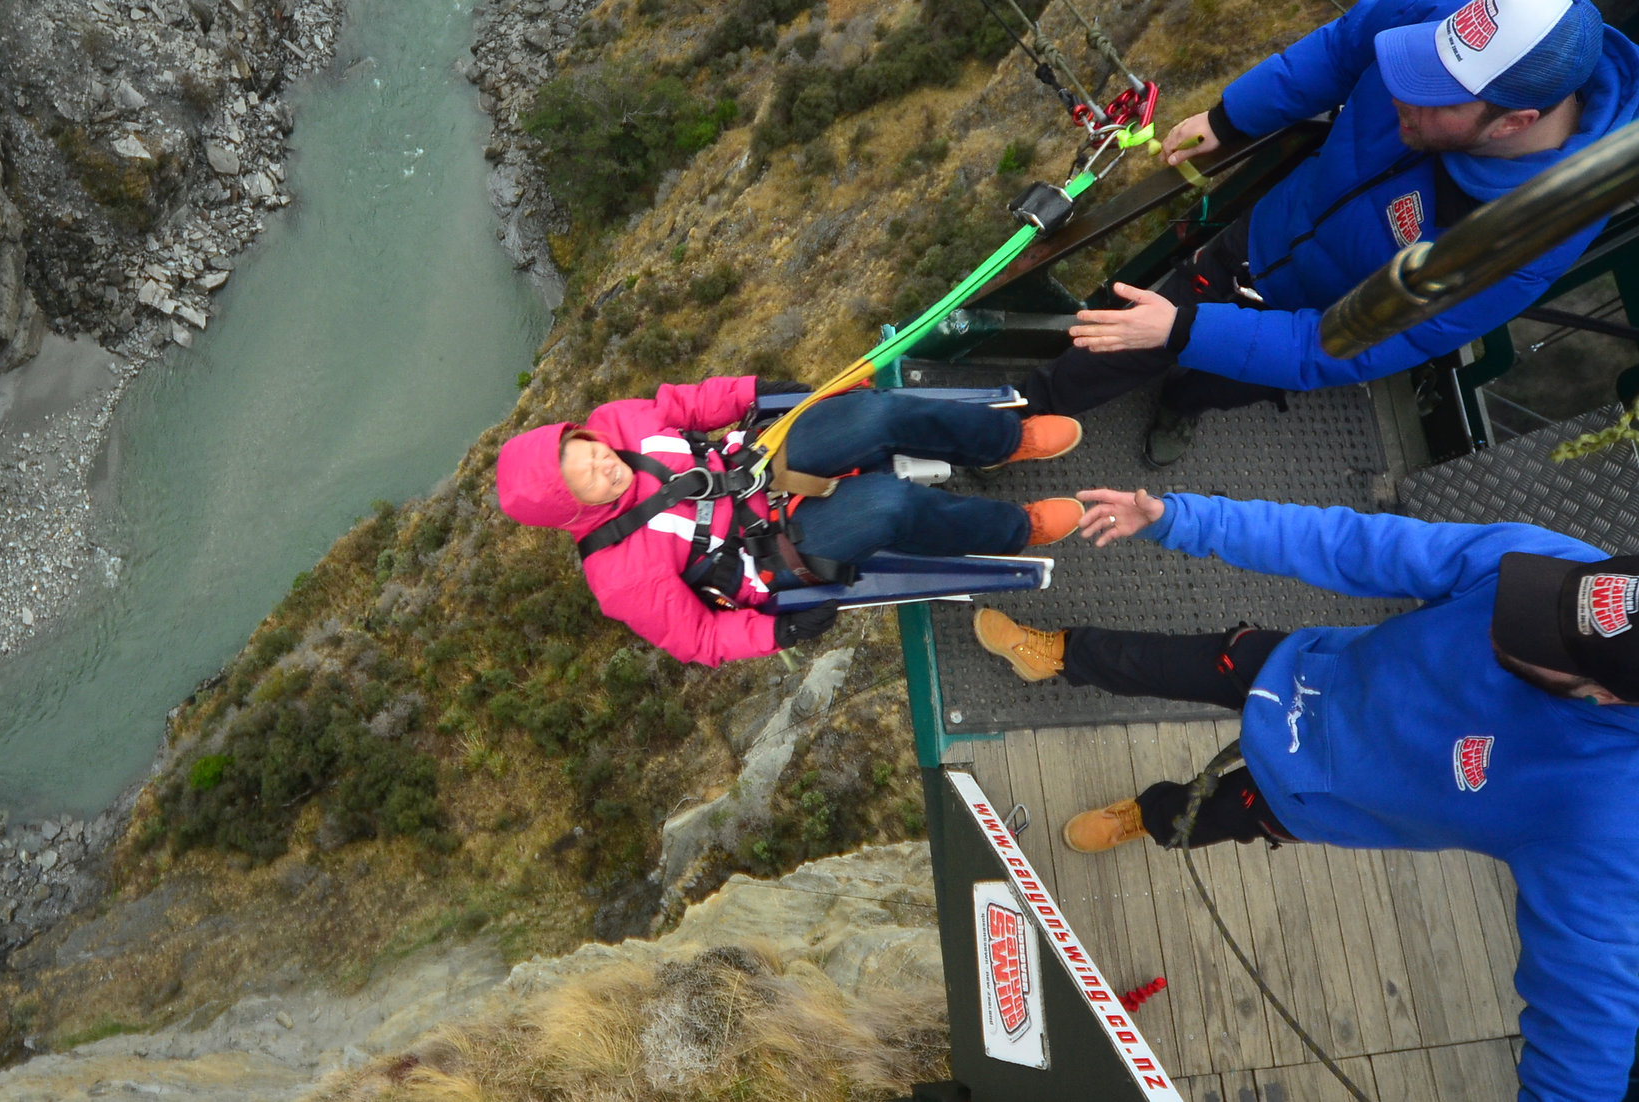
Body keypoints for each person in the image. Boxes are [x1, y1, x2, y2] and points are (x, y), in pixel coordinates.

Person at [971, 487, 1639, 1098]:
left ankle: (1145, 818)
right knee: (1158, 660)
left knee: (1198, 819)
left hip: (1313, 796)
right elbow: (1357, 543)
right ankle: (1054, 653)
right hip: (1299, 673)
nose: (1516, 612)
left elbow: (1587, 1032)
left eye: (1542, 638)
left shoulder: (1606, 819)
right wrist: (1181, 519)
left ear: (1607, 693)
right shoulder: (1557, 575)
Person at [1020, 0, 1639, 467]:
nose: (1400, 91)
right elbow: (1346, 47)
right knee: (1135, 335)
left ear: (1514, 124)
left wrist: (1186, 330)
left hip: (1327, 313)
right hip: (1266, 234)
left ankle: (1184, 403)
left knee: (1226, 373)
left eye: (1433, 97)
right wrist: (1232, 115)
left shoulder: (1520, 241)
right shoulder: (1462, 21)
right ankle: (1027, 411)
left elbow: (1345, 347)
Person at [494, 376, 1085, 667]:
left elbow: (689, 405)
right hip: (771, 550)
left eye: (592, 449)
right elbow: (699, 639)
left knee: (873, 416)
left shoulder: (619, 422)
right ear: (574, 508)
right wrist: (776, 634)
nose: (605, 464)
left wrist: (752, 391)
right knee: (888, 507)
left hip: (756, 460)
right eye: (589, 478)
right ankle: (1017, 528)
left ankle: (1005, 440)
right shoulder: (620, 576)